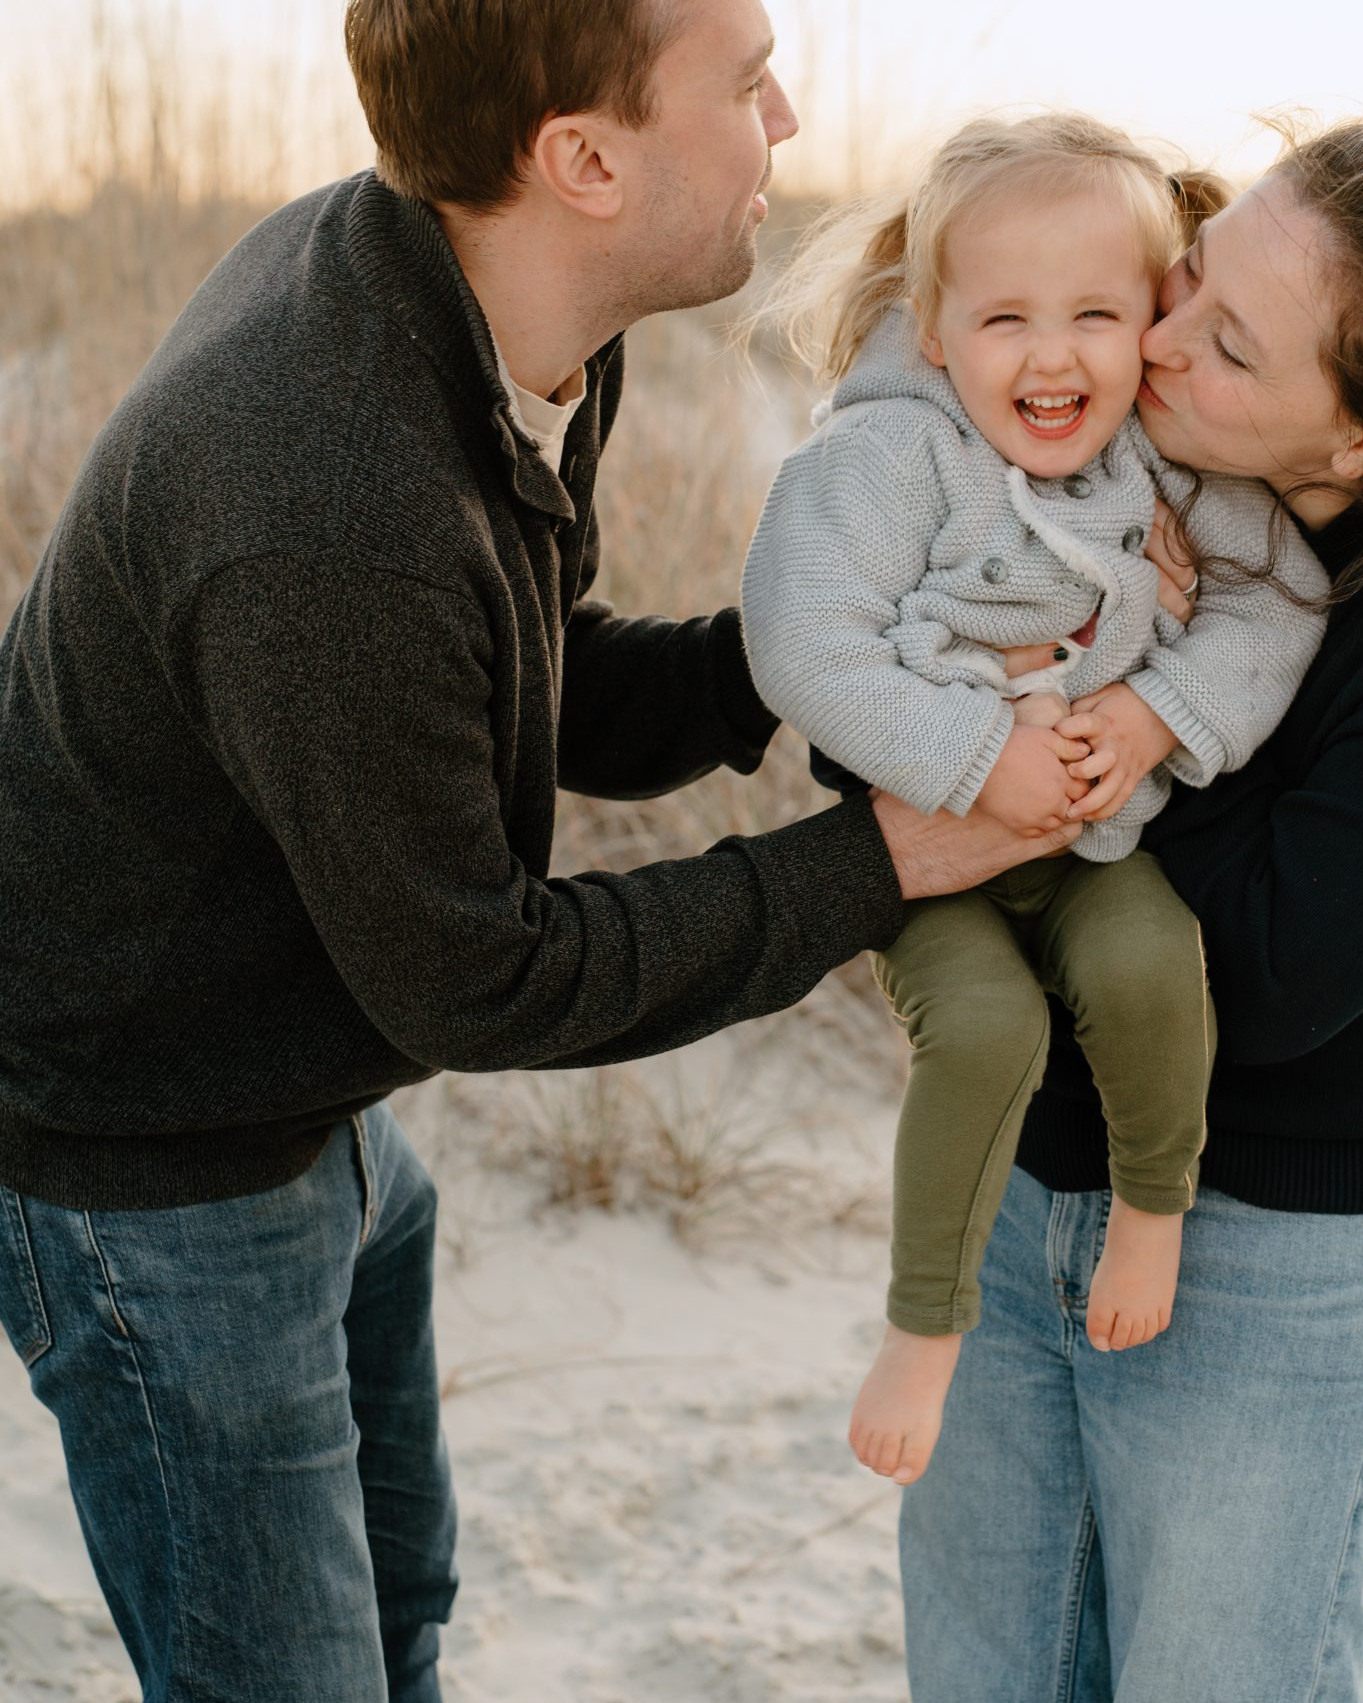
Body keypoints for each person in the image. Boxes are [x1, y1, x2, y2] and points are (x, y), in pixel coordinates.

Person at [0, 2, 1080, 1697]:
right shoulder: (324, 501)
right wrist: (884, 860)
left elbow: (528, 668)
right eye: (741, 83)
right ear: (582, 161)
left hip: (298, 1093)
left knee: (400, 1599)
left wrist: (809, 672)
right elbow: (483, 978)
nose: (787, 116)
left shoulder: (490, 314)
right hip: (152, 1160)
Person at [896, 117, 1363, 1703]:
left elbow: (1263, 972)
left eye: (1225, 345)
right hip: (1025, 1182)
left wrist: (1088, 727)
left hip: (1275, 1256)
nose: (1152, 342)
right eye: (1190, 276)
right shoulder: (1103, 457)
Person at [741, 113, 1329, 1488]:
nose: (1052, 356)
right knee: (989, 1028)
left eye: (1094, 315)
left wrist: (1150, 713)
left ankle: (1152, 1208)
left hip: (1092, 831)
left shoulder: (1168, 464)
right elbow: (804, 641)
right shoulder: (884, 461)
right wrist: (969, 754)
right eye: (1004, 318)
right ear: (934, 331)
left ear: (1154, 322)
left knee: (1148, 960)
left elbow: (1275, 607)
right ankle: (924, 1326)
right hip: (930, 844)